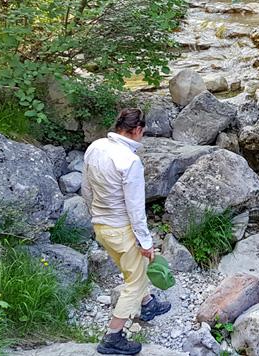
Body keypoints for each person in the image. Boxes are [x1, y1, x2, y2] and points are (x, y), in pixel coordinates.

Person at [82, 108, 171, 355]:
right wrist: (146, 242)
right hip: (121, 229)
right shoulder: (130, 161)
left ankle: (148, 304)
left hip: (102, 227)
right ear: (138, 130)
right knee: (135, 280)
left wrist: (94, 215)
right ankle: (113, 336)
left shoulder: (96, 147)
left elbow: (86, 186)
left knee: (131, 268)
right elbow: (135, 208)